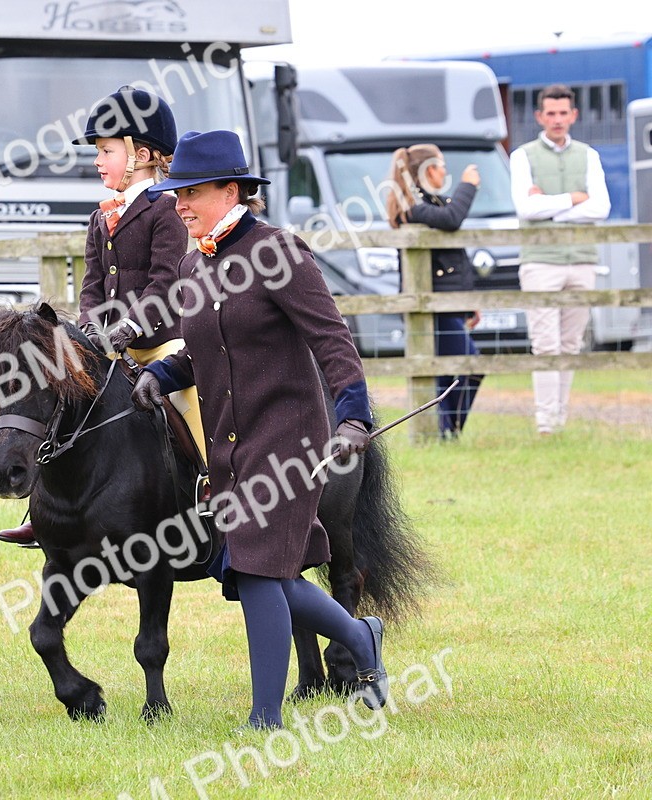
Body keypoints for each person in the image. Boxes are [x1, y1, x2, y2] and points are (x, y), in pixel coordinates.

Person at [131, 129, 387, 728]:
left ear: (231, 190)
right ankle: (361, 636)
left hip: (289, 439)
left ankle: (264, 719)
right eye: (176, 194)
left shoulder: (279, 252)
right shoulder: (193, 265)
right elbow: (205, 350)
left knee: (255, 570)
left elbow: (332, 339)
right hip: (227, 444)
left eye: (191, 193)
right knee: (265, 573)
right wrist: (163, 374)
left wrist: (354, 414)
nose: (180, 205)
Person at [0, 86, 204, 546]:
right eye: (98, 152)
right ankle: (44, 509)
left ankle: (209, 485)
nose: (97, 160)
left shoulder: (166, 209)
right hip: (105, 347)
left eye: (106, 151)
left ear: (141, 155)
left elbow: (164, 283)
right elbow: (91, 283)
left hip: (160, 342)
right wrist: (88, 329)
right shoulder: (100, 217)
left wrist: (130, 327)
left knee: (191, 404)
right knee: (60, 407)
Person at [510, 84, 611, 435]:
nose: (557, 119)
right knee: (546, 345)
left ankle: (560, 419)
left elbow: (601, 207)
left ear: (573, 115)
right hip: (540, 260)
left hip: (582, 258)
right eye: (550, 113)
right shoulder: (522, 156)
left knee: (570, 344)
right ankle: (546, 423)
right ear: (540, 116)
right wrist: (574, 198)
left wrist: (551, 206)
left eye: (563, 113)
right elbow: (526, 208)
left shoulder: (588, 155)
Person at [385, 144, 484, 439]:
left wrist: (468, 302)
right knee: (469, 364)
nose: (445, 172)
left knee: (447, 370)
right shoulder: (414, 207)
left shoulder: (430, 203)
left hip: (446, 303)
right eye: (441, 166)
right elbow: (453, 218)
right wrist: (468, 185)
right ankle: (446, 430)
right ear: (429, 170)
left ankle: (447, 432)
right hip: (431, 306)